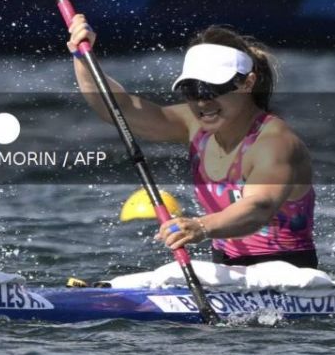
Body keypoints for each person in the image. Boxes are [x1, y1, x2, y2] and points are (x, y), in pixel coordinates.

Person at [67, 18, 319, 269]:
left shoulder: (274, 143)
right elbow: (119, 109)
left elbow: (258, 208)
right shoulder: (195, 125)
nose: (202, 103)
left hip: (287, 275)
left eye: (213, 89)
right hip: (226, 272)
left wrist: (201, 226)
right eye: (192, 90)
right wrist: (82, 55)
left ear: (247, 83)